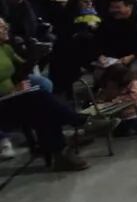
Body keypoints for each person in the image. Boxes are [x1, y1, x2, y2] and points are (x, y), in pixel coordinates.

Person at [0, 17, 114, 170]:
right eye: (0, 27)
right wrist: (12, 90)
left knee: (42, 107)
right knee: (38, 98)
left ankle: (62, 154)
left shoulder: (5, 48)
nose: (5, 28)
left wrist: (37, 55)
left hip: (15, 98)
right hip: (3, 104)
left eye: (5, 25)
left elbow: (22, 70)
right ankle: (82, 123)